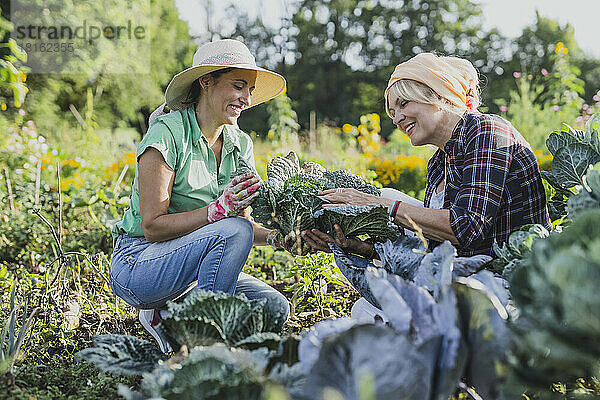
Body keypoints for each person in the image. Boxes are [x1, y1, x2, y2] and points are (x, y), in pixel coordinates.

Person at [303, 52, 551, 319]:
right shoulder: (438, 162)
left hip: (506, 286)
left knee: (382, 320)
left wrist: (376, 203)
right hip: (464, 276)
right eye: (392, 112)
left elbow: (465, 229)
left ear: (439, 96)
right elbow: (436, 248)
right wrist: (358, 247)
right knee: (364, 311)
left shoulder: (486, 132)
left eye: (403, 103)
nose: (396, 119)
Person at [109, 39, 290, 353]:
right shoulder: (167, 134)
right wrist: (217, 211)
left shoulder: (240, 144)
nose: (246, 98)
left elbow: (244, 222)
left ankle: (169, 315)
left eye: (249, 89)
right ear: (207, 81)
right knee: (233, 228)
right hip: (139, 263)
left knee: (274, 307)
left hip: (190, 271)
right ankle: (204, 344)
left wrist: (279, 238)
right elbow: (153, 227)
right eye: (238, 85)